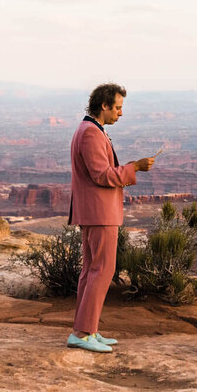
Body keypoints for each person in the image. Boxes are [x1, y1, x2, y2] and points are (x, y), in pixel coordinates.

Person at [66, 83, 155, 353]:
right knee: (102, 270)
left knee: (92, 270)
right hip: (100, 212)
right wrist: (134, 168)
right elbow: (102, 176)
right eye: (117, 108)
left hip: (94, 211)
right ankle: (83, 333)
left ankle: (86, 330)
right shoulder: (91, 133)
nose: (120, 113)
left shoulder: (89, 129)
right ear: (104, 106)